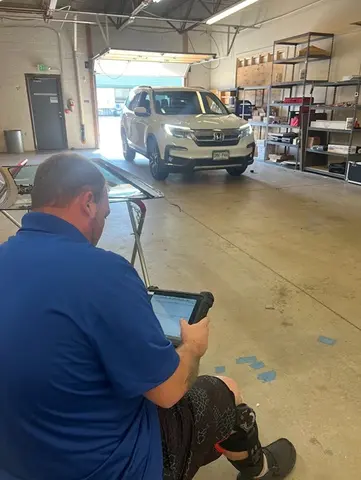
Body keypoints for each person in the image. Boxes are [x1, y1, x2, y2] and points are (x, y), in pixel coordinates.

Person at [0, 153, 296, 480]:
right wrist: (193, 348)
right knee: (224, 388)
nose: (102, 224)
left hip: (18, 462)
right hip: (110, 469)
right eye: (105, 210)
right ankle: (259, 469)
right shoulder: (105, 273)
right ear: (88, 202)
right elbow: (167, 393)